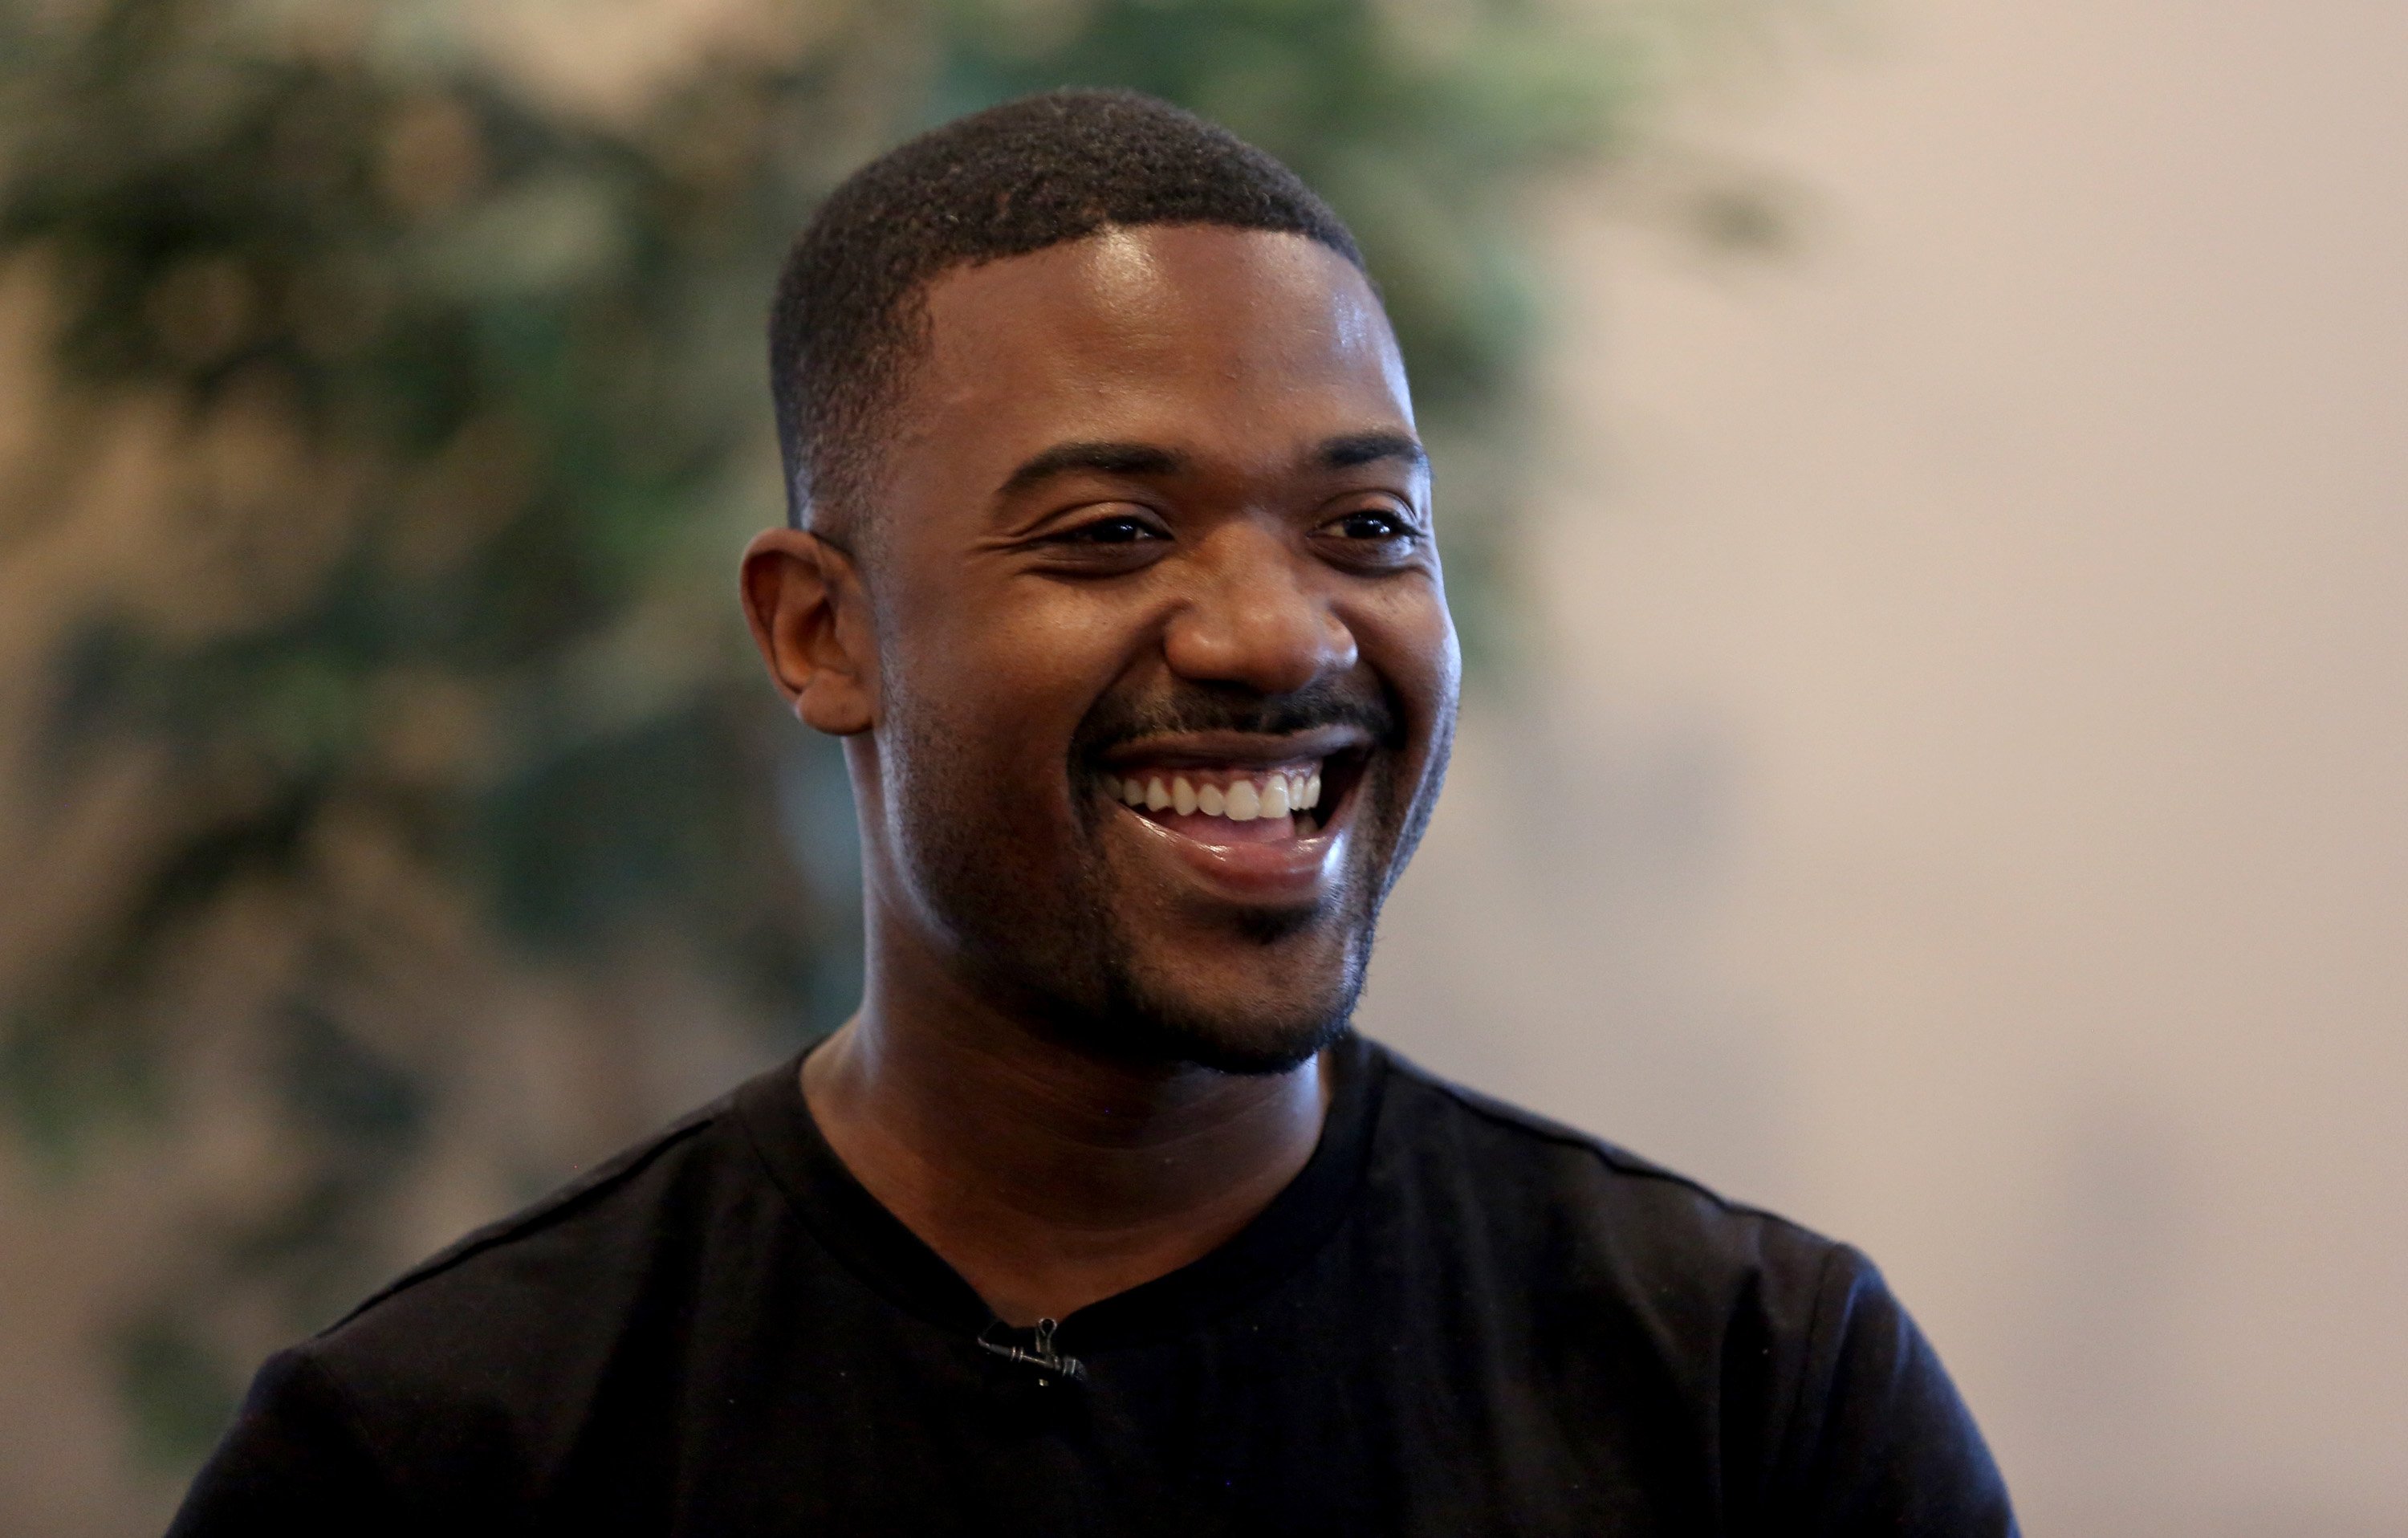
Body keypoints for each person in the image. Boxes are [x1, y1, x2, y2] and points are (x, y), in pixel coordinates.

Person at [169, 88, 2016, 1536]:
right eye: (1112, 532)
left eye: (1367, 528)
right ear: (823, 631)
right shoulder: (443, 1457)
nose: (1276, 631)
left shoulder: (1749, 1398)